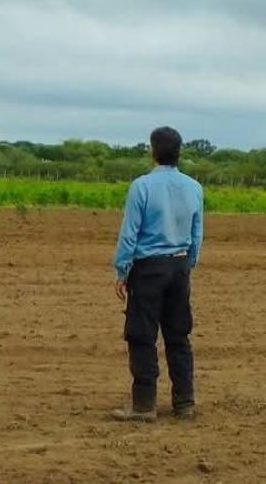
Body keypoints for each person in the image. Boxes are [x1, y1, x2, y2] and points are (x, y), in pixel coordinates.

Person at [110, 126, 204, 422]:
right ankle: (184, 403)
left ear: (153, 151)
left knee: (141, 335)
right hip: (179, 267)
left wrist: (122, 270)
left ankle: (144, 405)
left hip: (148, 269)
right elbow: (196, 233)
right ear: (178, 152)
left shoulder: (141, 186)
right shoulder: (194, 187)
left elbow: (129, 234)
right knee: (179, 336)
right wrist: (187, 264)